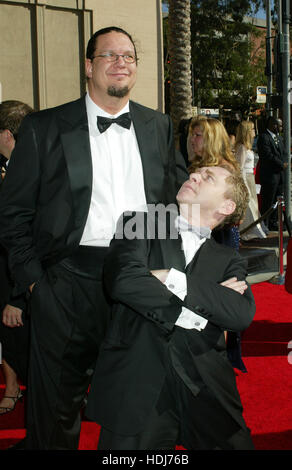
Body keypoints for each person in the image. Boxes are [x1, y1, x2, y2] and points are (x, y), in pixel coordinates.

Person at [0, 27, 187, 450]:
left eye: (129, 56)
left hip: (141, 278)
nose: (121, 62)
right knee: (56, 410)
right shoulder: (44, 126)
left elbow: (170, 206)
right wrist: (34, 284)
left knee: (141, 401)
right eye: (110, 55)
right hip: (68, 281)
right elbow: (12, 214)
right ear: (88, 66)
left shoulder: (158, 125)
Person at [85, 164, 255, 450]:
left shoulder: (228, 259)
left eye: (208, 177)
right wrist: (200, 310)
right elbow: (123, 280)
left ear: (227, 205)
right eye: (196, 172)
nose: (193, 175)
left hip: (205, 384)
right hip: (138, 379)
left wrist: (168, 277)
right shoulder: (139, 222)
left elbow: (240, 313)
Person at [187, 116, 247, 372]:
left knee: (218, 298)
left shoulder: (224, 169)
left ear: (211, 138)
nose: (192, 139)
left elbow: (237, 212)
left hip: (219, 237)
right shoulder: (196, 165)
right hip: (199, 234)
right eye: (192, 134)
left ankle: (217, 359)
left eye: (198, 134)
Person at [0, 101, 34, 415]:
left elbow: (31, 241)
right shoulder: (9, 169)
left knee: (35, 363)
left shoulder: (34, 175)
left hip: (24, 290)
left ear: (8, 135)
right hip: (11, 286)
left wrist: (17, 298)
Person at [235, 120, 267, 241]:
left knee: (254, 205)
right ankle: (248, 231)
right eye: (252, 129)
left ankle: (253, 230)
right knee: (249, 206)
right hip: (245, 179)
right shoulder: (242, 147)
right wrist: (243, 184)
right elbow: (240, 167)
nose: (254, 131)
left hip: (250, 178)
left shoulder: (246, 146)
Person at [257, 116, 287, 231]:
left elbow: (283, 152)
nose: (280, 128)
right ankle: (265, 223)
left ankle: (274, 223)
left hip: (280, 175)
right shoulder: (264, 137)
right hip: (269, 175)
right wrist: (281, 164)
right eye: (279, 125)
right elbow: (267, 155)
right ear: (273, 125)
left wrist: (285, 162)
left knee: (277, 200)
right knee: (268, 200)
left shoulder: (279, 138)